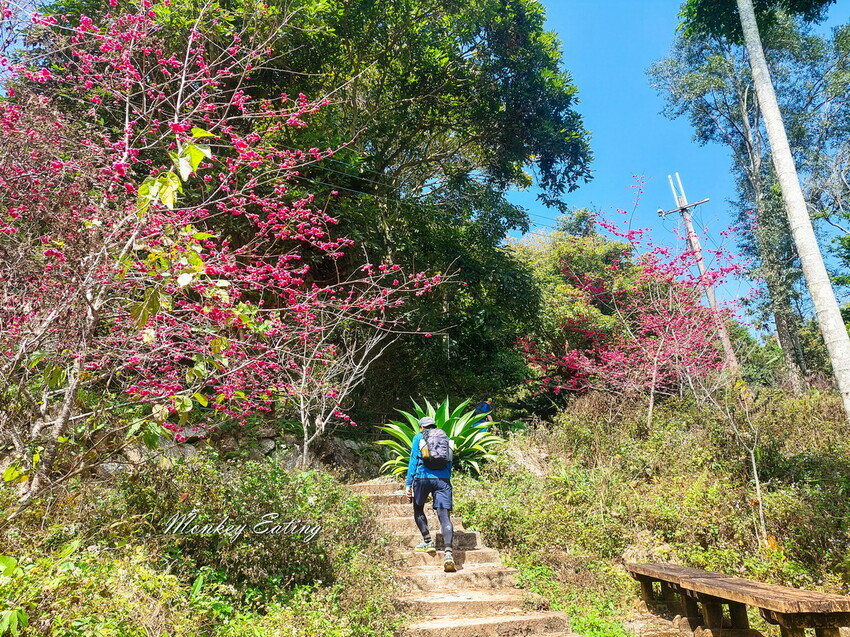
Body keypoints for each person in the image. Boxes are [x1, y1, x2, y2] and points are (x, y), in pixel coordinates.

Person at [405, 416, 456, 573]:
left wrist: (408, 483)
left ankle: (428, 541)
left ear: (422, 427)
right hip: (443, 480)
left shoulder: (419, 437)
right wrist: (445, 478)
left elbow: (413, 459)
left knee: (418, 508)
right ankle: (448, 554)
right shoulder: (445, 438)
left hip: (422, 478)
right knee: (444, 516)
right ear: (435, 425)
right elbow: (450, 461)